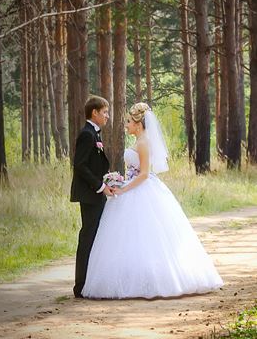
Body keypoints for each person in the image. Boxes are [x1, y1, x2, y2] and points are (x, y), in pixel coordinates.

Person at [81, 102, 224, 299]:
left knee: (148, 236)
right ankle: (131, 276)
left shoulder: (143, 143)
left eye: (129, 121)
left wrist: (124, 189)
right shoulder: (137, 141)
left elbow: (144, 174)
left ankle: (158, 279)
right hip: (131, 187)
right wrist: (120, 181)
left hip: (141, 190)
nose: (127, 125)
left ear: (139, 124)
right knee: (128, 238)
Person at [70, 95, 114, 298]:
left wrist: (108, 180)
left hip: (95, 193)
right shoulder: (87, 134)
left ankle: (89, 283)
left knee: (95, 237)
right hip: (90, 195)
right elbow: (79, 165)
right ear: (94, 113)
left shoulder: (95, 134)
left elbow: (94, 165)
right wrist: (100, 186)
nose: (107, 116)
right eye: (104, 112)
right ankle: (80, 286)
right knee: (87, 238)